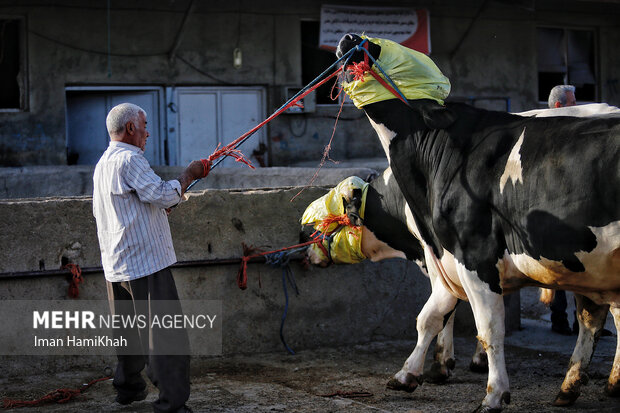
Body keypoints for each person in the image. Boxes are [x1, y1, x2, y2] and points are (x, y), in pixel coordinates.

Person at [93, 103, 206, 413]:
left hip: (117, 265)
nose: (147, 132)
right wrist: (189, 175)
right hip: (145, 263)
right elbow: (163, 194)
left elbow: (135, 203)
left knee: (128, 332)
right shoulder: (130, 160)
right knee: (166, 335)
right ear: (130, 128)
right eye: (143, 125)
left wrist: (161, 201)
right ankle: (172, 404)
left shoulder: (103, 163)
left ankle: (128, 390)